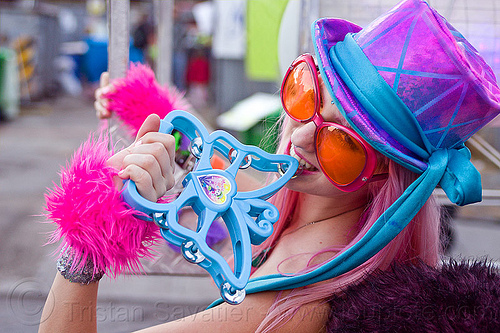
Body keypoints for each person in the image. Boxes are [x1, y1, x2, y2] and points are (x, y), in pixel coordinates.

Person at [39, 0, 500, 332]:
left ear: (392, 177)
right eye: (308, 95)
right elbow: (226, 204)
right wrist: (149, 110)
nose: (299, 137)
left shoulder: (289, 306)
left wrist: (87, 241)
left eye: (340, 140)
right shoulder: (322, 217)